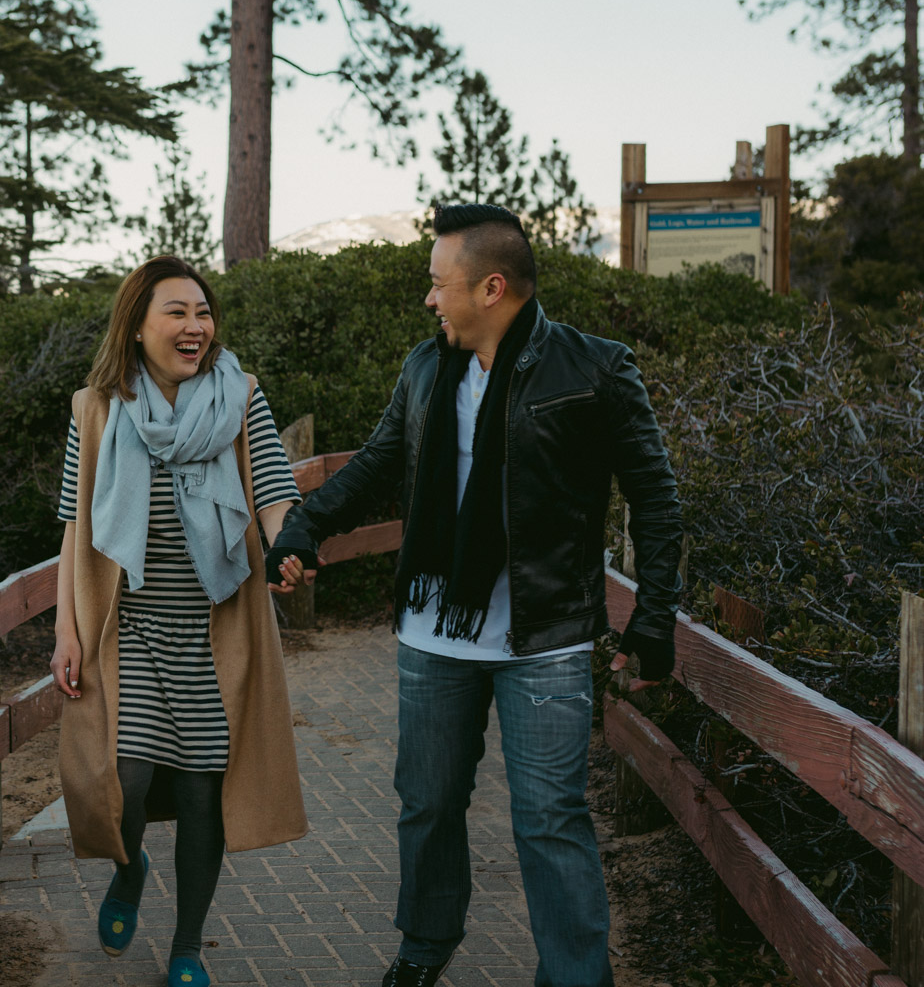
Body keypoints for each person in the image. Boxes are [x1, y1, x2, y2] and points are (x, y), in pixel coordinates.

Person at [266, 204, 683, 987]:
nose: (429, 299)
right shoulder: (427, 369)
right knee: (426, 805)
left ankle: (574, 976)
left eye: (438, 284)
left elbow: (655, 500)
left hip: (545, 639)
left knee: (550, 822)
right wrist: (302, 528)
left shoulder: (595, 369)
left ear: (492, 287)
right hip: (434, 636)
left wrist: (654, 617)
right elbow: (378, 464)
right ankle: (425, 945)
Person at [50, 255, 309, 987]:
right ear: (137, 326)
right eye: (177, 312)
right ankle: (128, 876)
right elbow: (73, 527)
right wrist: (65, 631)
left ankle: (187, 947)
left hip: (212, 632)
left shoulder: (240, 398)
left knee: (203, 794)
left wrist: (290, 541)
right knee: (123, 781)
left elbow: (275, 490)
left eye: (203, 312)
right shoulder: (96, 409)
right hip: (124, 630)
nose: (196, 326)